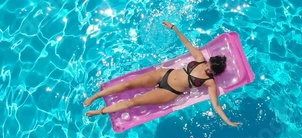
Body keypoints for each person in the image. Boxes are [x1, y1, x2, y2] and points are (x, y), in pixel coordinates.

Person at [84, 21, 242, 127]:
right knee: (128, 84)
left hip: (169, 92)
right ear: (209, 62)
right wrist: (174, 28)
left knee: (133, 102)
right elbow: (187, 43)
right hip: (163, 74)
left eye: (211, 71)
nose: (207, 70)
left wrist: (228, 121)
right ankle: (95, 97)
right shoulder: (200, 58)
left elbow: (215, 104)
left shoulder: (210, 82)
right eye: (209, 66)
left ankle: (98, 112)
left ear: (215, 73)